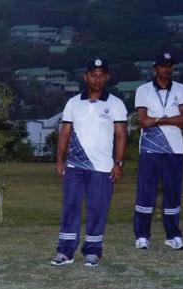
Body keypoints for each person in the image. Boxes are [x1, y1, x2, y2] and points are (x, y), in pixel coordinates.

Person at [50, 58, 127, 267]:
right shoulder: (73, 103)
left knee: (97, 208)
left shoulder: (116, 104)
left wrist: (118, 163)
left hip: (102, 168)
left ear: (107, 77)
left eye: (101, 75)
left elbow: (121, 135)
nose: (97, 79)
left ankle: (93, 251)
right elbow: (65, 132)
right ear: (86, 77)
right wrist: (59, 159)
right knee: (71, 207)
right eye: (93, 75)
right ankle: (65, 251)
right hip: (75, 166)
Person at [133, 51, 183, 250]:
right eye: (163, 65)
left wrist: (158, 120)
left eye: (170, 65)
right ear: (155, 68)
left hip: (175, 149)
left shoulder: (182, 89)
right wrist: (170, 120)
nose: (167, 69)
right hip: (150, 147)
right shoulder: (143, 90)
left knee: (172, 192)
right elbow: (142, 121)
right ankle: (142, 236)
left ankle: (173, 235)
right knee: (146, 192)